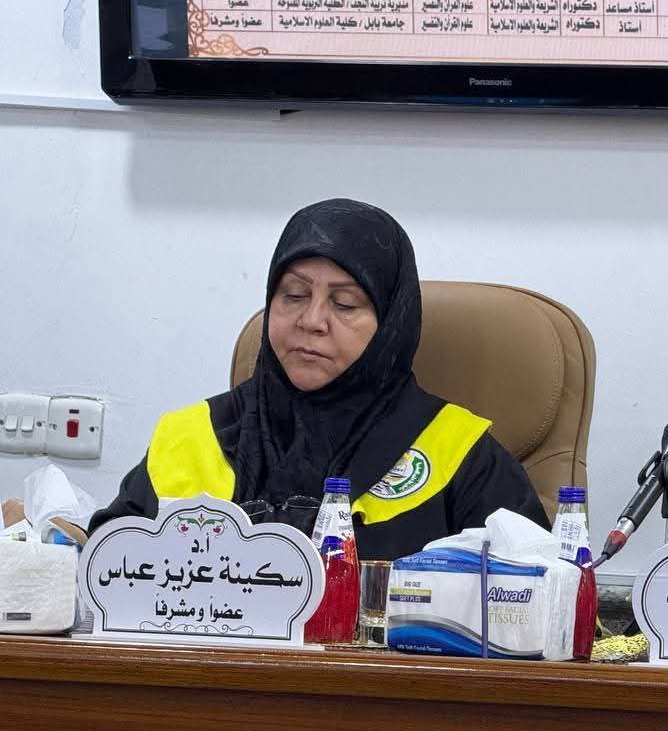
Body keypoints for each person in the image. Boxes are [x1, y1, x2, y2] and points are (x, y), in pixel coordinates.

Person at [91, 199, 548, 560]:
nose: (311, 321)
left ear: (391, 326)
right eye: (293, 295)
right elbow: (108, 569)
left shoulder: (458, 452)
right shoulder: (190, 436)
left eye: (345, 304)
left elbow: (537, 598)